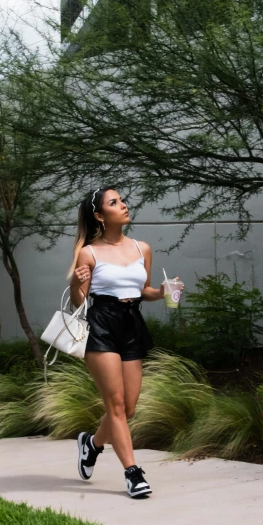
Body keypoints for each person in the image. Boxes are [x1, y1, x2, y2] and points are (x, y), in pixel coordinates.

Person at [68, 187, 183, 498]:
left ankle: (92, 444)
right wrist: (75, 282)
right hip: (101, 324)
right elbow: (79, 301)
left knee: (128, 407)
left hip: (132, 323)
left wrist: (161, 293)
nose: (123, 205)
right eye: (114, 202)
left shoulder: (141, 248)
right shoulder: (88, 252)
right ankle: (133, 474)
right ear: (99, 216)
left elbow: (142, 289)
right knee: (115, 405)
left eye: (122, 200)